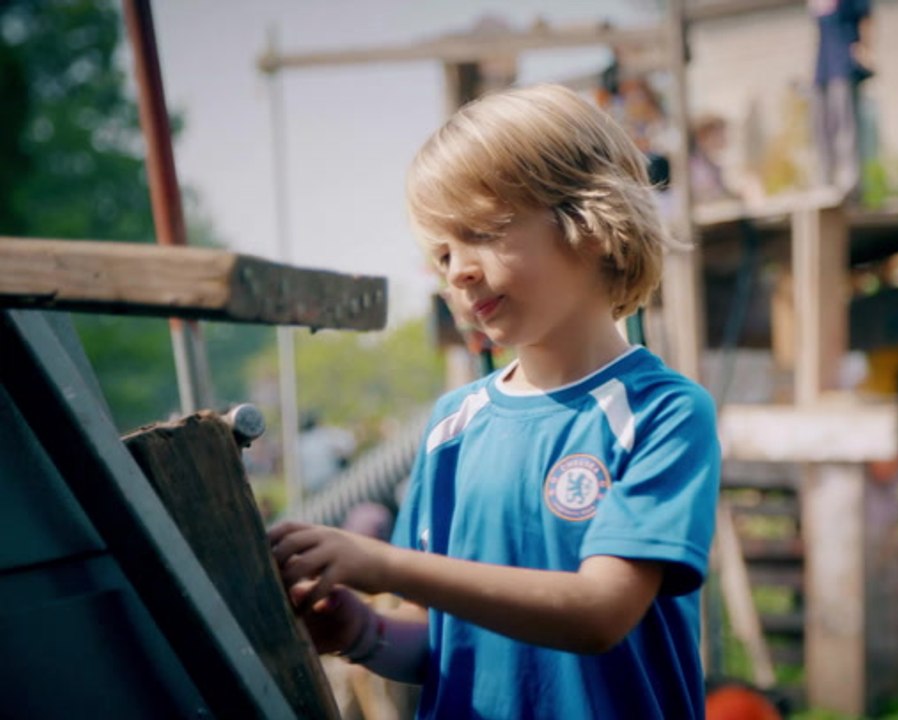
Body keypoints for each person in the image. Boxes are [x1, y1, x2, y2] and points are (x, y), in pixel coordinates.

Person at [269, 84, 722, 719]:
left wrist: (387, 564)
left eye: (480, 232)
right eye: (443, 252)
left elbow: (600, 613)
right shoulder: (453, 427)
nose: (456, 271)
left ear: (589, 220)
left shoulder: (663, 412)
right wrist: (362, 633)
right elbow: (439, 642)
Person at [810, 0, 873, 193]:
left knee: (846, 124)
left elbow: (865, 19)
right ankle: (826, 179)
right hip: (823, 67)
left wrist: (866, 49)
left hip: (844, 61)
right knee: (823, 126)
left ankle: (850, 181)